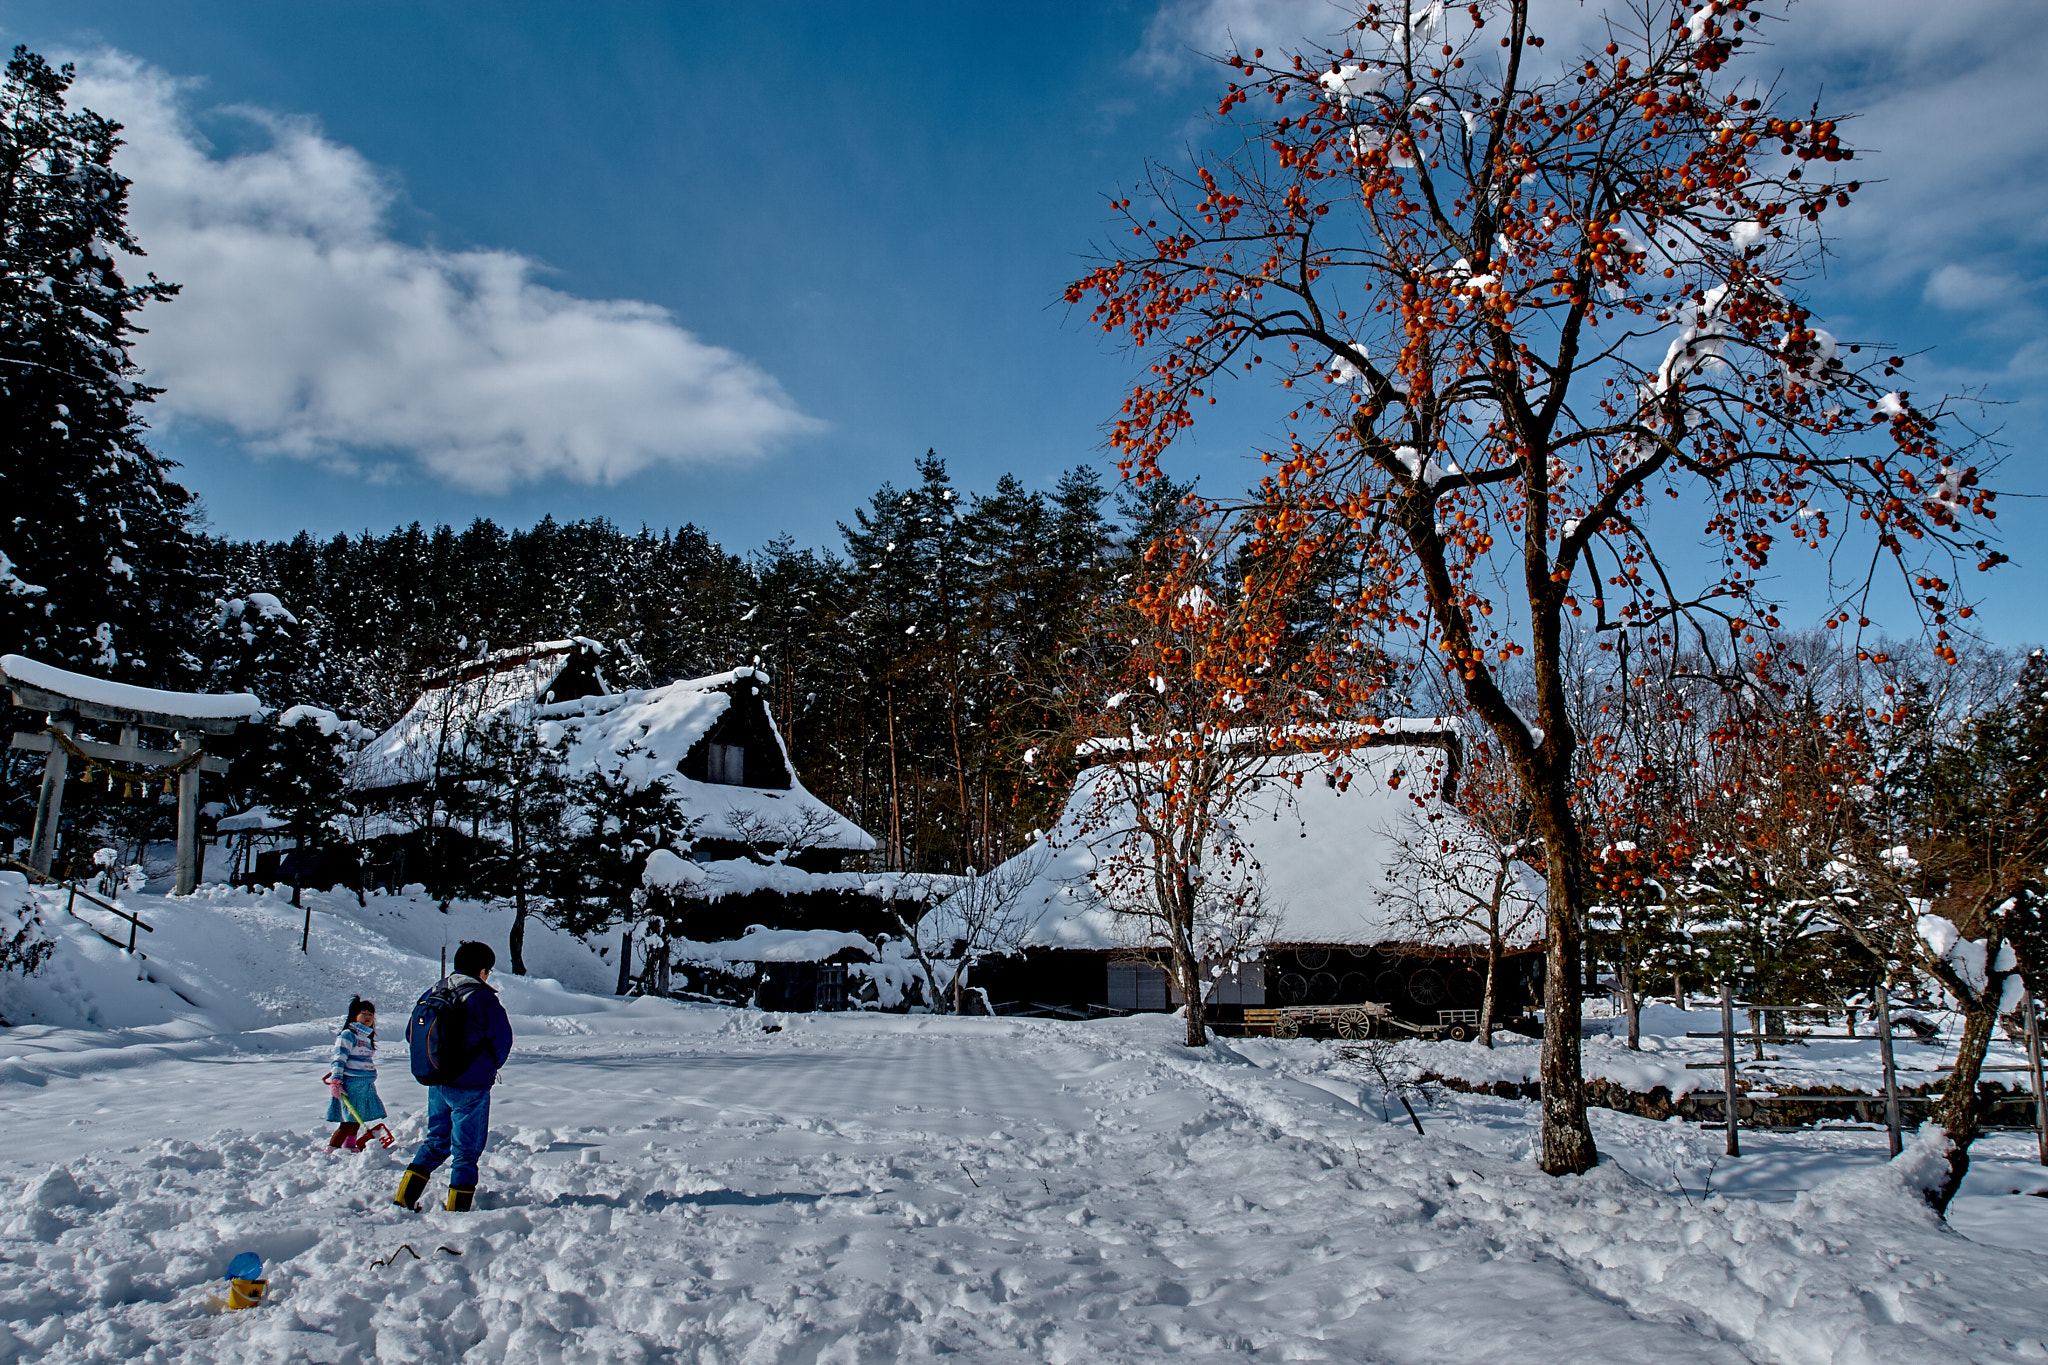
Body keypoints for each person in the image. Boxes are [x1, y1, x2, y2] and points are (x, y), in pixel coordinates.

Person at [394, 940, 513, 1212]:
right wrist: (490, 1066)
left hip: (438, 1082)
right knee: (466, 1152)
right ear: (482, 970)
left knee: (436, 1141)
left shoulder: (436, 990)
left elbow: (410, 1033)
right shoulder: (483, 998)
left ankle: (403, 1200)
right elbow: (502, 1041)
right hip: (471, 1087)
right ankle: (457, 1212)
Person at [323, 996, 385, 1149]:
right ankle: (332, 1150)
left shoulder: (366, 1038)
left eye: (370, 1014)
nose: (368, 1017)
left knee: (358, 1118)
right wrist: (336, 1080)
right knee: (348, 1120)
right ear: (355, 1016)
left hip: (365, 1084)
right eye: (364, 1013)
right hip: (351, 1084)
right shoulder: (348, 1035)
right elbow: (339, 1058)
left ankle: (349, 1146)